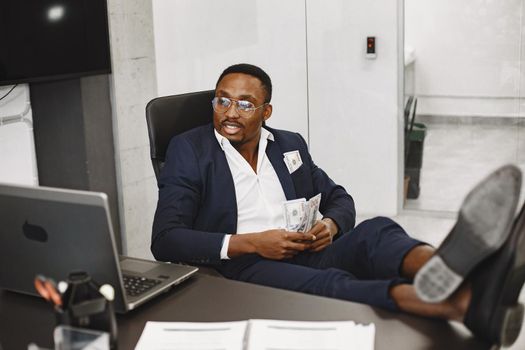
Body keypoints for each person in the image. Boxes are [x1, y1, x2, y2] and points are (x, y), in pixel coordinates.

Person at [152, 63, 525, 346]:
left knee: (376, 231)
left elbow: (338, 198)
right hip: (244, 264)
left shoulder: (288, 144)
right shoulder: (190, 148)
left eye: (245, 104)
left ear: (266, 112)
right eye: (222, 100)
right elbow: (166, 239)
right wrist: (251, 242)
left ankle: (444, 269)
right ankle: (461, 303)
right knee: (330, 283)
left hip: (303, 248)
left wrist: (329, 226)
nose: (230, 112)